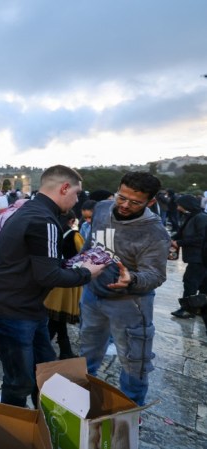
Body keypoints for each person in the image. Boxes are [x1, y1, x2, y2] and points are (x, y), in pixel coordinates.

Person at [0, 165, 106, 407]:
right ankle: (11, 432)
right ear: (64, 188)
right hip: (12, 309)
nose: (77, 200)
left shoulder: (31, 212)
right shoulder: (43, 219)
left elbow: (38, 264)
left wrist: (73, 265)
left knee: (46, 370)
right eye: (76, 193)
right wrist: (86, 273)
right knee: (20, 381)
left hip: (22, 305)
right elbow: (48, 276)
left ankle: (43, 426)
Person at [79, 171, 170, 406]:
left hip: (129, 303)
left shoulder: (154, 233)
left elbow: (156, 275)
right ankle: (82, 396)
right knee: (87, 348)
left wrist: (133, 279)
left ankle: (131, 407)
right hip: (92, 293)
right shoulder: (101, 208)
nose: (125, 205)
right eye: (122, 197)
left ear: (150, 202)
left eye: (135, 202)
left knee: (134, 360)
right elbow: (91, 243)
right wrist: (79, 264)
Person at [43, 212, 84, 359]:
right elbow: (83, 255)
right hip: (67, 282)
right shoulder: (74, 235)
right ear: (72, 220)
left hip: (51, 279)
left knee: (56, 319)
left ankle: (65, 350)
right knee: (57, 318)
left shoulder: (50, 231)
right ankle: (42, 351)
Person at [169, 194, 207, 318]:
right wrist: (172, 239)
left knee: (190, 282)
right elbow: (181, 233)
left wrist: (179, 242)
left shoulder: (201, 217)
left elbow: (201, 238)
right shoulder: (191, 216)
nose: (178, 208)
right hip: (196, 257)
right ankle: (200, 308)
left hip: (200, 257)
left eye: (180, 205)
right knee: (201, 283)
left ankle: (188, 310)